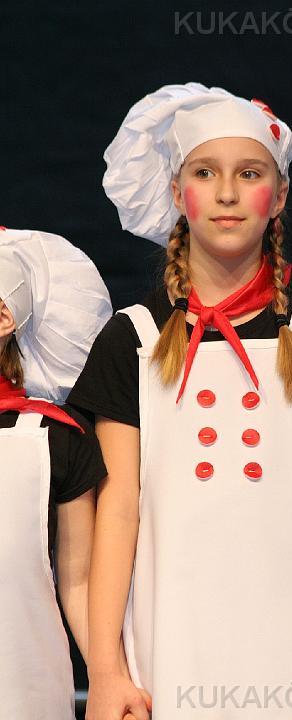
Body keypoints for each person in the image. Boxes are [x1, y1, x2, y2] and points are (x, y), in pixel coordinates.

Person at [68, 82, 292, 720]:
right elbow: (118, 515)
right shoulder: (133, 339)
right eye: (205, 173)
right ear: (176, 192)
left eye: (250, 173)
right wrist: (105, 670)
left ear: (280, 194)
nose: (228, 194)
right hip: (170, 652)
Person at [0, 227, 111, 719]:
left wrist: (109, 679)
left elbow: (80, 584)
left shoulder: (54, 439)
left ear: (4, 317)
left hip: (23, 693)